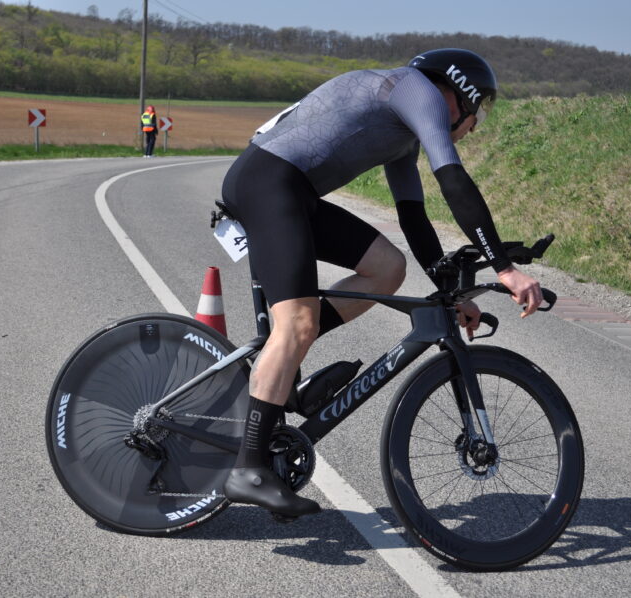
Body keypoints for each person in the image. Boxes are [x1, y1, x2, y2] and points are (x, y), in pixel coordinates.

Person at [220, 48, 544, 518]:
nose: (476, 125)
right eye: (479, 111)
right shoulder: (417, 92)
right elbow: (453, 179)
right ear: (460, 95)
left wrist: (448, 292)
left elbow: (413, 217)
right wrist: (504, 268)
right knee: (297, 324)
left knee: (387, 268)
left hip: (291, 190)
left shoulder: (402, 129)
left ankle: (281, 363)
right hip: (268, 183)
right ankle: (248, 468)